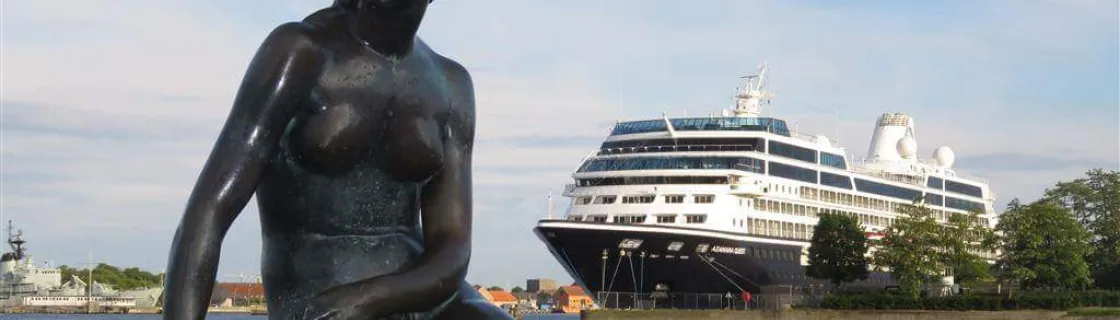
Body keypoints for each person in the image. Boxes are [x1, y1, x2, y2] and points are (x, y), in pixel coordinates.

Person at [162, 0, 511, 319]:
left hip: (418, 299)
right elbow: (207, 214)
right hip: (321, 299)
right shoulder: (302, 53)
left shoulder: (452, 85)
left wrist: (370, 298)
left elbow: (452, 247)